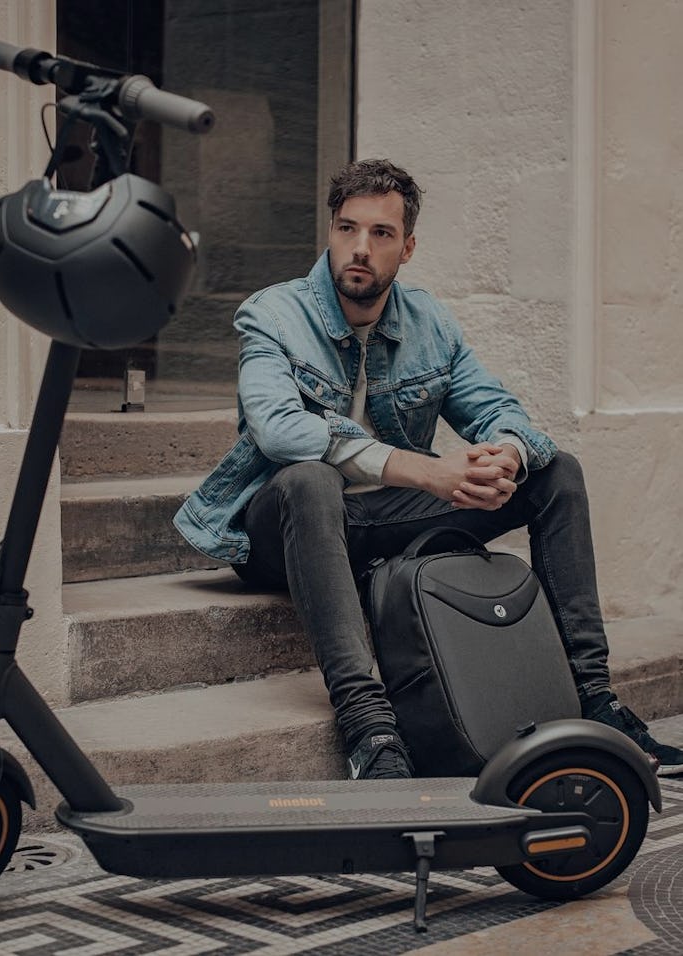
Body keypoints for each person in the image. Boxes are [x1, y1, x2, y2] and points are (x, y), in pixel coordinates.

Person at [174, 158, 683, 780]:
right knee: (311, 478)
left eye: (381, 234)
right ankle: (369, 728)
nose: (359, 248)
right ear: (330, 232)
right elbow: (280, 429)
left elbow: (499, 409)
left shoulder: (431, 323)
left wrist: (507, 454)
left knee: (556, 473)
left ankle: (595, 699)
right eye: (347, 228)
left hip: (376, 524)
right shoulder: (273, 314)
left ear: (407, 247)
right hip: (278, 531)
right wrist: (425, 470)